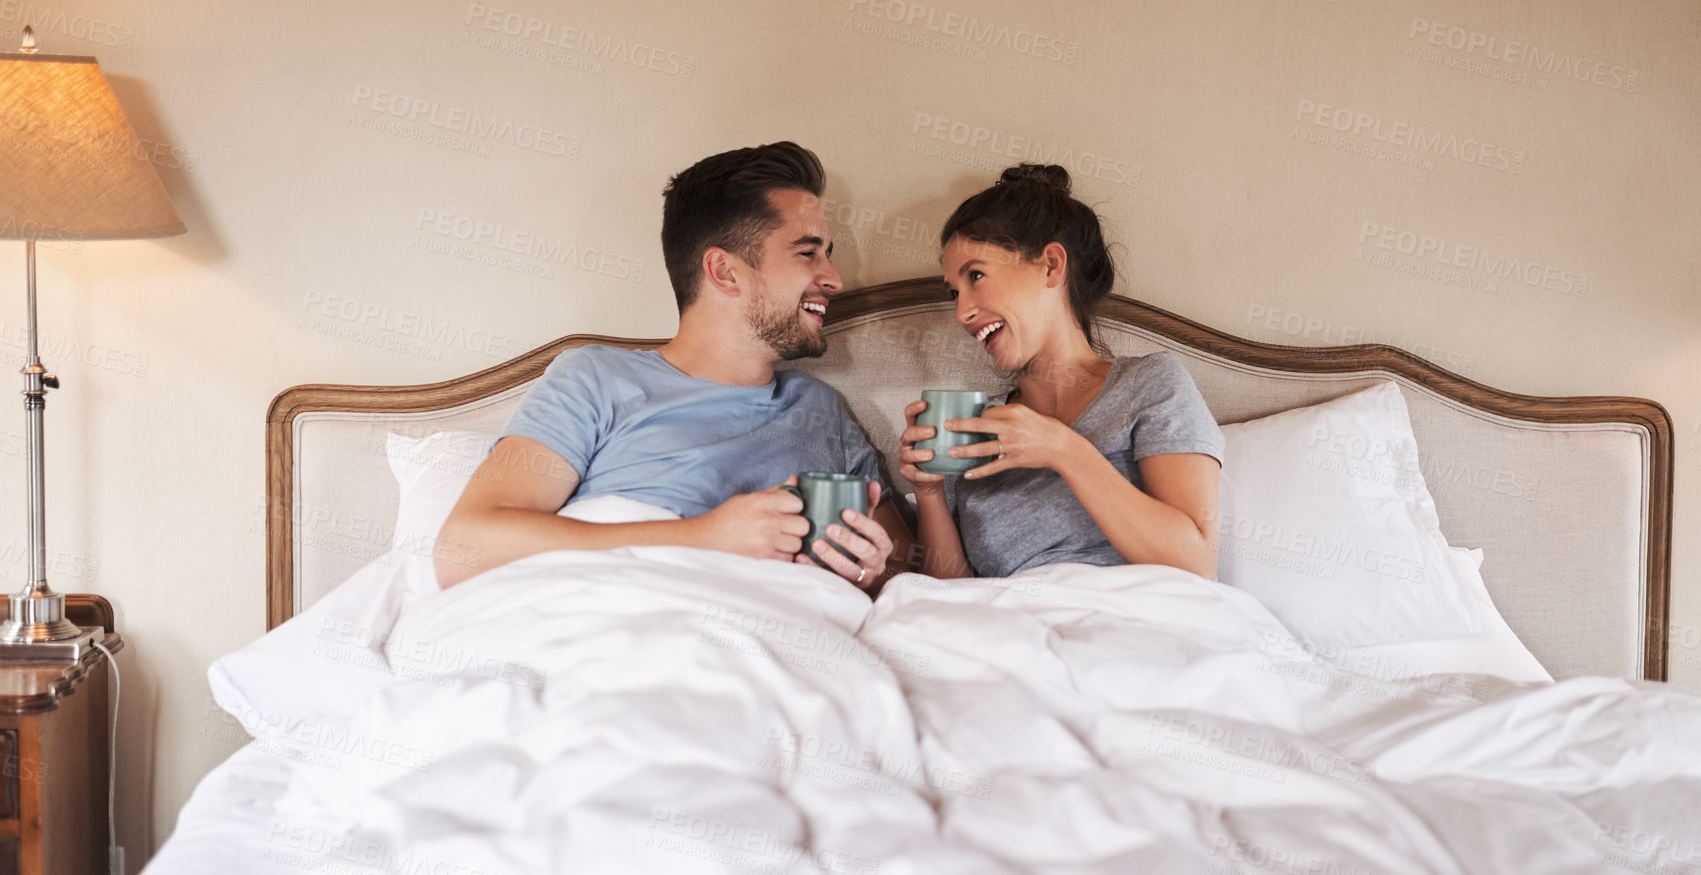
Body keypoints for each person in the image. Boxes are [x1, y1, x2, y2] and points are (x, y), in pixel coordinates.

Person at [436, 142, 912, 591]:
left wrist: (872, 573)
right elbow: (465, 549)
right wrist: (705, 537)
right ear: (724, 271)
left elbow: (912, 581)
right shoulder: (596, 379)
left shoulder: (820, 409)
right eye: (808, 253)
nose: (834, 279)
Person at [896, 163, 1222, 580]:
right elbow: (953, 596)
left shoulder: (1149, 385)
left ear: (1051, 265)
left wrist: (1063, 450)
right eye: (954, 293)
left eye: (976, 275)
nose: (962, 313)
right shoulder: (977, 430)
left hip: (1138, 623)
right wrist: (929, 493)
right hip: (1012, 633)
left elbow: (1196, 565)